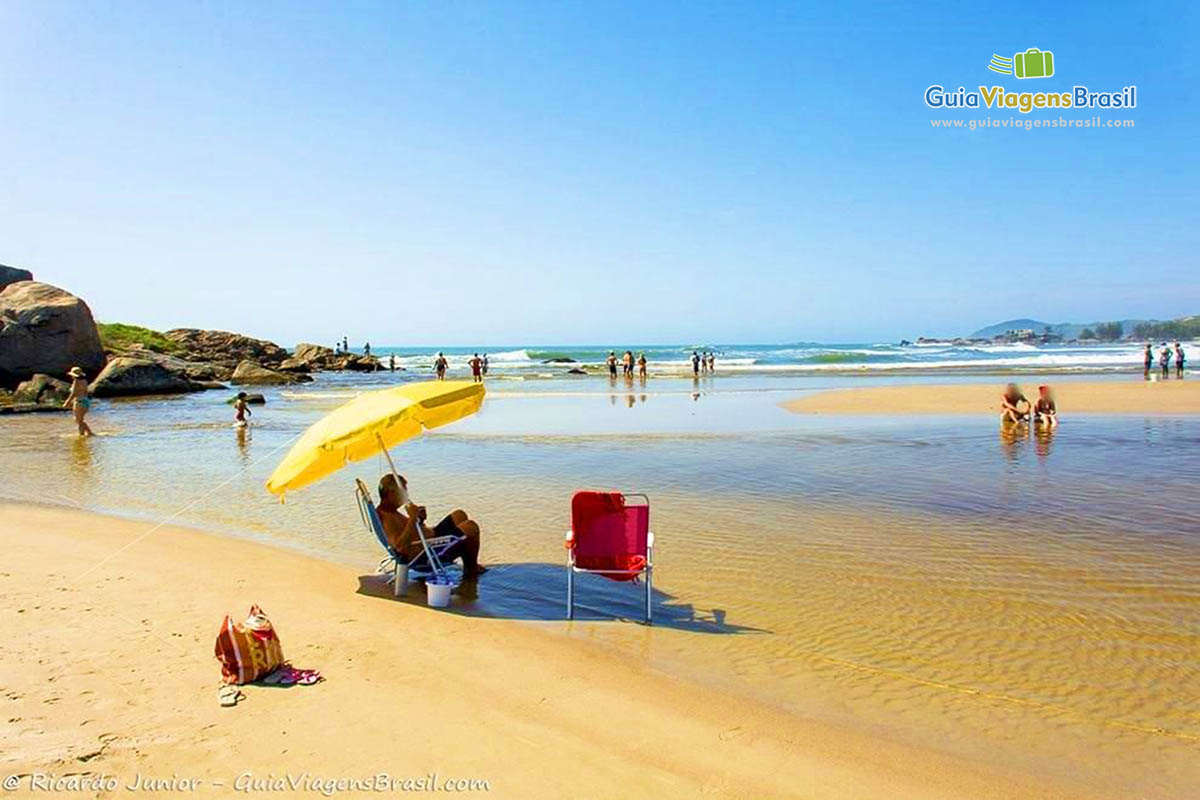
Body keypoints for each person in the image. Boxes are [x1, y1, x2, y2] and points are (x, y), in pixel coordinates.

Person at [376, 473, 484, 578]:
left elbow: (409, 531)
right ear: (391, 493)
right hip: (428, 553)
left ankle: (469, 563)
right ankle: (471, 569)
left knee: (459, 514)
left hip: (430, 541)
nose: (406, 495)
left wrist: (419, 520)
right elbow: (400, 547)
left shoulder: (390, 512)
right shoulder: (387, 518)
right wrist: (413, 518)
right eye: (403, 490)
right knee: (471, 527)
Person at [61, 366, 94, 436]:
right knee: (80, 420)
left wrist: (67, 402)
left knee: (78, 420)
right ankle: (81, 434)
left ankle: (89, 433)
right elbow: (86, 392)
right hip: (86, 401)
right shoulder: (85, 381)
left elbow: (74, 393)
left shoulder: (76, 382)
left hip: (79, 401)